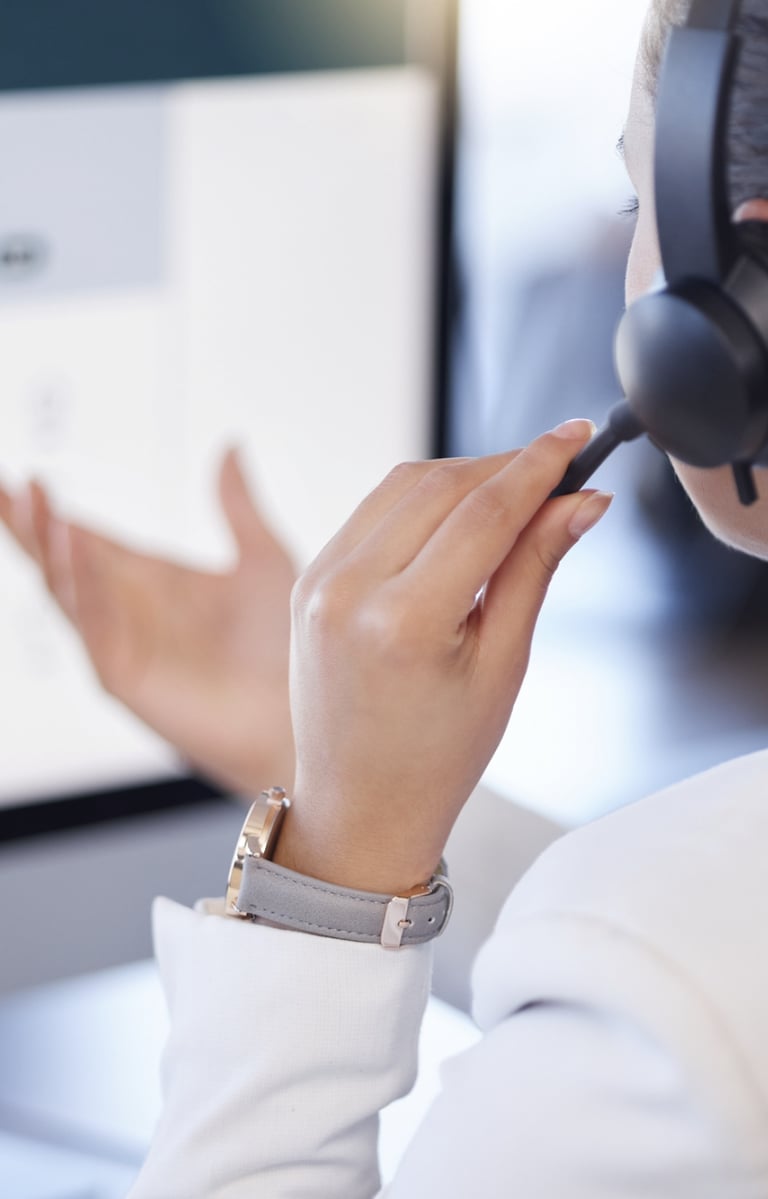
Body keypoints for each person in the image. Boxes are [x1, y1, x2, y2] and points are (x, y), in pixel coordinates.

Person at [5, 0, 768, 1192]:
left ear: (741, 285)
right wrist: (325, 761)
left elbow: (668, 976)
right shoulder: (687, 950)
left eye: (637, 204)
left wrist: (324, 881)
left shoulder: (678, 989)